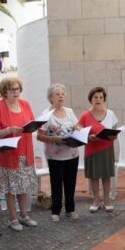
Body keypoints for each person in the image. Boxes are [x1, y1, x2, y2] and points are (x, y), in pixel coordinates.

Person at [0, 77, 39, 231]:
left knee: (23, 186)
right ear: (5, 91)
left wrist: (34, 126)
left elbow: (32, 122)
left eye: (17, 89)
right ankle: (12, 218)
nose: (16, 92)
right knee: (10, 189)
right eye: (12, 89)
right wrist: (9, 130)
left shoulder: (25, 104)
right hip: (8, 154)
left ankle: (24, 215)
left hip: (25, 152)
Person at [37, 84, 80, 222]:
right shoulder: (46, 115)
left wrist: (79, 130)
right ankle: (55, 211)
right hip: (55, 155)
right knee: (56, 183)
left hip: (72, 153)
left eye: (62, 93)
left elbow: (76, 126)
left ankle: (70, 209)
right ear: (51, 98)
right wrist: (54, 139)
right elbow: (39, 136)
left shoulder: (70, 111)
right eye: (57, 94)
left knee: (71, 182)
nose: (61, 96)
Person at [79, 86, 118, 212]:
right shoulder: (85, 115)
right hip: (92, 149)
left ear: (104, 99)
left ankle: (106, 199)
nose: (98, 99)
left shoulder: (111, 114)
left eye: (101, 97)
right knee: (94, 176)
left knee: (106, 175)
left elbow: (114, 132)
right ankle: (96, 200)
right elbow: (78, 130)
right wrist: (88, 136)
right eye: (95, 97)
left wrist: (113, 136)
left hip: (106, 149)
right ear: (91, 99)